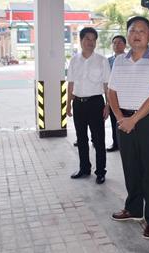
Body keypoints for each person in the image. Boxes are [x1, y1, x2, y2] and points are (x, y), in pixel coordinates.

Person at [108, 16, 149, 239]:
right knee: (130, 167)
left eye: (142, 31)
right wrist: (118, 116)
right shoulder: (119, 61)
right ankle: (134, 209)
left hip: (147, 121)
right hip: (123, 120)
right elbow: (112, 91)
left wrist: (133, 120)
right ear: (128, 34)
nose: (137, 34)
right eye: (133, 30)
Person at [67, 27, 110, 185]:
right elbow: (70, 83)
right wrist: (68, 105)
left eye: (93, 39)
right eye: (87, 39)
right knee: (81, 138)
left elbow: (107, 85)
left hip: (96, 103)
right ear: (81, 40)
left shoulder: (101, 60)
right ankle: (84, 168)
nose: (90, 42)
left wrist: (108, 105)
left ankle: (100, 172)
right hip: (78, 103)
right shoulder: (74, 60)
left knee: (98, 140)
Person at [106, 35, 127, 152]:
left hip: (124, 96)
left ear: (124, 45)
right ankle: (116, 143)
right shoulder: (108, 61)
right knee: (114, 120)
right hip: (112, 95)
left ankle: (124, 143)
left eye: (119, 43)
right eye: (114, 43)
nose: (117, 45)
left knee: (125, 118)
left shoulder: (129, 59)